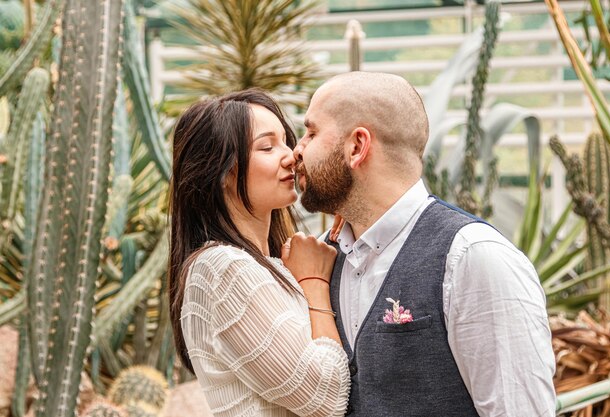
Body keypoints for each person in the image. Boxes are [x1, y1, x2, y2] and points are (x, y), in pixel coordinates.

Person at [293, 71, 556, 416]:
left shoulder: (473, 258)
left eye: (311, 133)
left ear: (357, 146)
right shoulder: (327, 258)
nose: (297, 149)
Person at [168, 89, 350, 417]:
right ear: (223, 174)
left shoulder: (266, 264)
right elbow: (327, 396)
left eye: (286, 140)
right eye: (267, 146)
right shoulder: (222, 269)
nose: (291, 155)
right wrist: (313, 281)